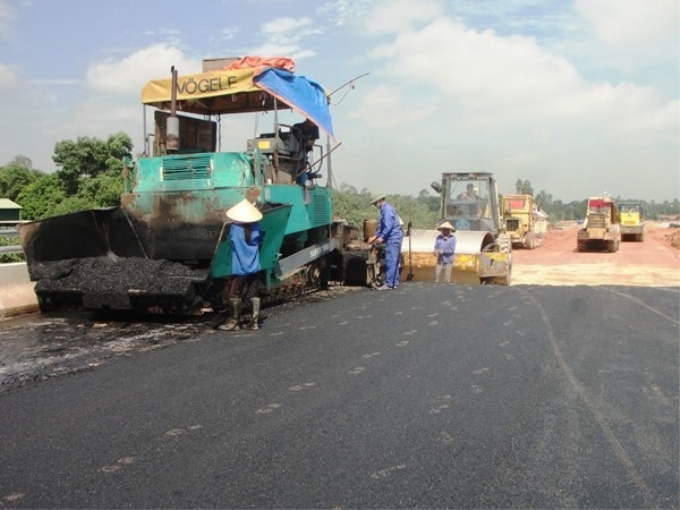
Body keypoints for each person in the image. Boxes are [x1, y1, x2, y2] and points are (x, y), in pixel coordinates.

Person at [218, 199, 263, 331]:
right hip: (254, 265)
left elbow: (228, 241)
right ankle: (254, 322)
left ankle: (234, 322)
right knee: (253, 293)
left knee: (234, 294)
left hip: (241, 267)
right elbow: (260, 239)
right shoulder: (257, 226)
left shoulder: (235, 228)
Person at [367, 193, 403, 290]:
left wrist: (381, 238)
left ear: (380, 201)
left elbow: (388, 226)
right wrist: (375, 236)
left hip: (393, 238)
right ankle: (394, 282)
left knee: (391, 260)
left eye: (375, 203)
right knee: (394, 260)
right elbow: (382, 227)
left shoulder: (386, 209)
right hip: (395, 237)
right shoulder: (385, 210)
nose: (375, 206)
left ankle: (388, 284)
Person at [291, 118, 319, 186]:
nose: (314, 123)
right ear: (307, 119)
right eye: (312, 121)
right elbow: (292, 138)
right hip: (294, 149)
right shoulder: (297, 126)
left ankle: (304, 183)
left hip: (303, 152)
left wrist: (306, 141)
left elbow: (311, 142)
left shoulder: (315, 128)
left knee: (302, 167)